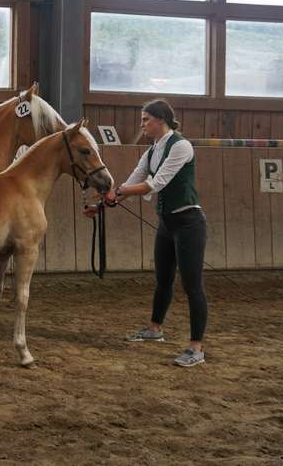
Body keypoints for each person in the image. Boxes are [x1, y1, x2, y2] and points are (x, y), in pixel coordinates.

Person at [91, 99, 208, 367]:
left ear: (161, 119)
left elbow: (156, 183)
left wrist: (116, 193)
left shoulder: (181, 146)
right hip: (168, 223)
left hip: (189, 222)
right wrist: (103, 204)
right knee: (163, 279)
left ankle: (195, 348)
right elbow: (134, 179)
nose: (142, 124)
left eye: (145, 119)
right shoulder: (152, 150)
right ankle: (155, 330)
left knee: (192, 285)